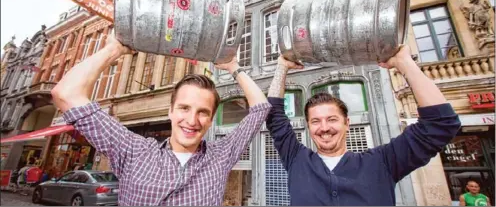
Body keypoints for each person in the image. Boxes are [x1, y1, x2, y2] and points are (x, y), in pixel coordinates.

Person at [51, 31, 271, 206]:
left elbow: (261, 108)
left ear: (211, 119)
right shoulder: (133, 150)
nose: (192, 120)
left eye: (202, 112)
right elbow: (66, 94)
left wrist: (233, 66)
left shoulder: (221, 156)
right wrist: (113, 50)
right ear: (171, 112)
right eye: (184, 108)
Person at [265, 45, 461, 205]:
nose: (324, 127)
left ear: (347, 123)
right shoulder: (297, 160)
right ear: (309, 127)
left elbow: (440, 125)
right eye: (316, 121)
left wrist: (405, 63)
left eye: (332, 119)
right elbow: (274, 116)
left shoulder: (383, 162)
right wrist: (281, 67)